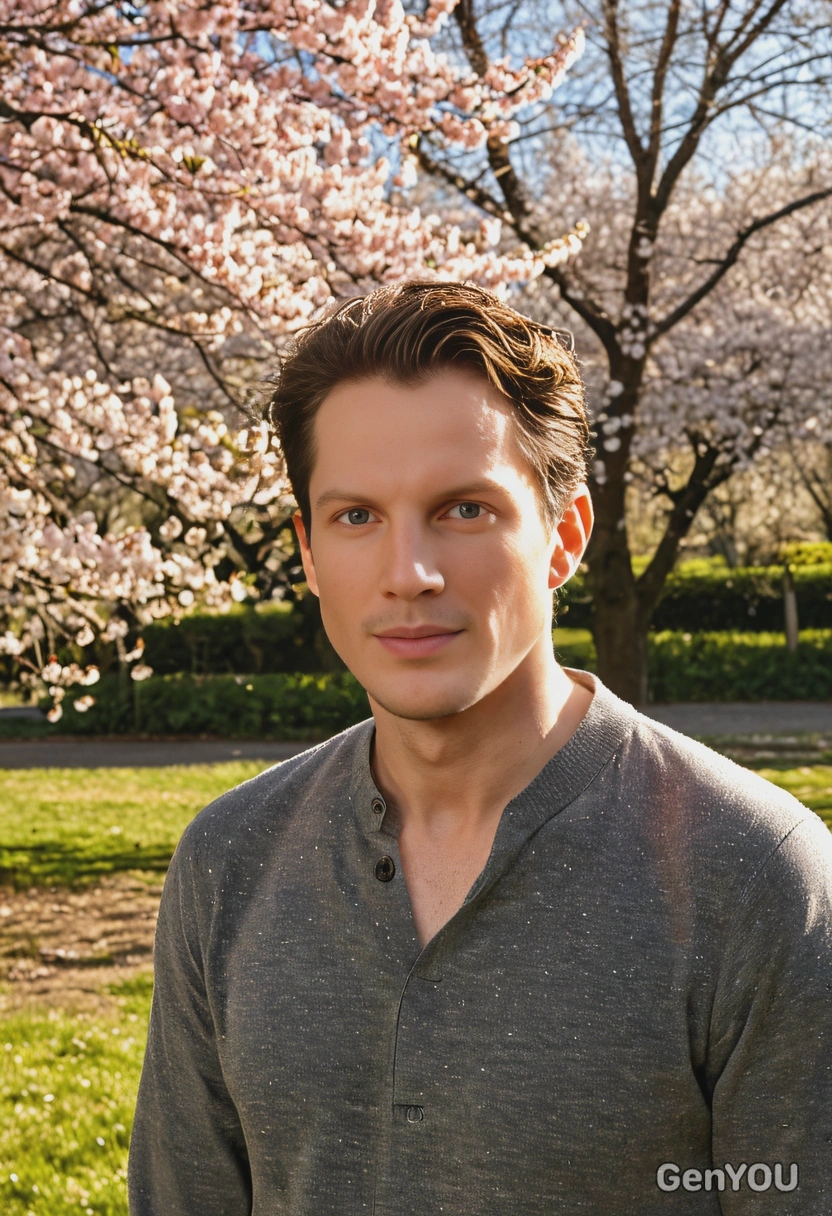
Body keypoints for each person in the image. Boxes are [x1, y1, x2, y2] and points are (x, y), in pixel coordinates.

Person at [128, 281, 832, 1215]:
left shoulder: (756, 874)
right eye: (355, 517)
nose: (408, 574)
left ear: (564, 535)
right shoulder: (227, 861)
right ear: (305, 550)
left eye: (464, 509)